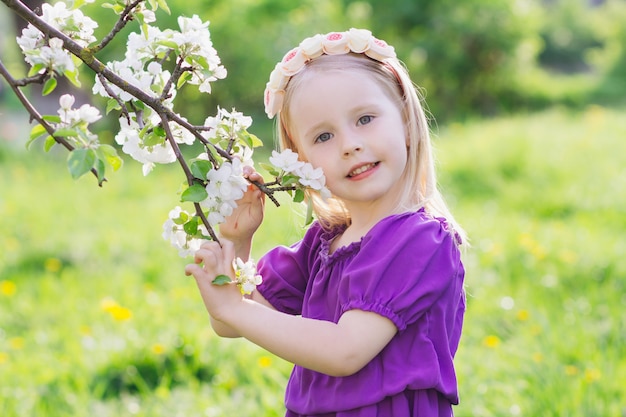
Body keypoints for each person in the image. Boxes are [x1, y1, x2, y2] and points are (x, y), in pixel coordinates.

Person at [185, 28, 467, 417]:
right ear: (301, 162)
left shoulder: (420, 239)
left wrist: (234, 307)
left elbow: (345, 350)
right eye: (323, 137)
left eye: (365, 118)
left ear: (404, 120)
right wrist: (237, 243)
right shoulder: (324, 241)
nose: (349, 144)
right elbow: (231, 324)